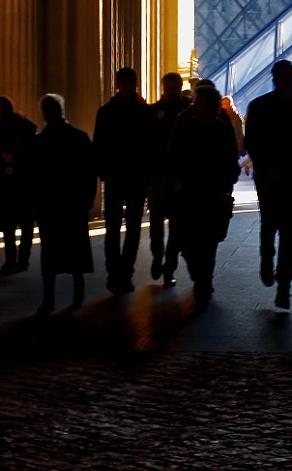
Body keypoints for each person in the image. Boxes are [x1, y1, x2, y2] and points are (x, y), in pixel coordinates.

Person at [243, 60, 292, 310]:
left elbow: (251, 140)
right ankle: (284, 287)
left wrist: (267, 167)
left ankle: (266, 261)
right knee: (287, 231)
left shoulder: (258, 105)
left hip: (267, 176)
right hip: (291, 176)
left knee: (269, 223)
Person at [165, 80, 239, 309]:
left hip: (194, 197)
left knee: (196, 244)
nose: (194, 107)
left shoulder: (189, 129)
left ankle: (202, 280)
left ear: (209, 106)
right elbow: (231, 165)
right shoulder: (219, 131)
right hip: (204, 197)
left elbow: (173, 157)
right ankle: (203, 280)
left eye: (199, 104)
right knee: (205, 245)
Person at [30, 94, 97, 315]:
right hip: (73, 203)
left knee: (49, 253)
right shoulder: (79, 138)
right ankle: (78, 290)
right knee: (75, 248)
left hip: (50, 205)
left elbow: (35, 177)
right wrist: (88, 200)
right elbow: (89, 173)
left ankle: (48, 299)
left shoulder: (39, 143)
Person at [93, 66, 153, 295]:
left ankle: (119, 272)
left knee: (119, 228)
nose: (128, 85)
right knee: (126, 228)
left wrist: (104, 173)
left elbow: (98, 144)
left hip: (122, 177)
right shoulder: (143, 112)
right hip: (128, 177)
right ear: (119, 84)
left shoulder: (107, 112)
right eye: (125, 82)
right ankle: (121, 272)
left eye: (130, 82)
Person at [147, 71, 192, 285]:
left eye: (173, 88)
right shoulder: (187, 112)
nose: (171, 92)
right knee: (172, 226)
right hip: (171, 178)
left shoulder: (155, 112)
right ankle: (166, 266)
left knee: (164, 225)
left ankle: (162, 262)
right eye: (169, 88)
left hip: (163, 177)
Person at [0, 95, 37, 274]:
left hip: (23, 182)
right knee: (8, 226)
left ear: (9, 109)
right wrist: (2, 161)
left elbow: (32, 152)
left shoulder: (22, 127)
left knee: (25, 224)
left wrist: (15, 161)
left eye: (1, 108)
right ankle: (10, 260)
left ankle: (22, 260)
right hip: (6, 184)